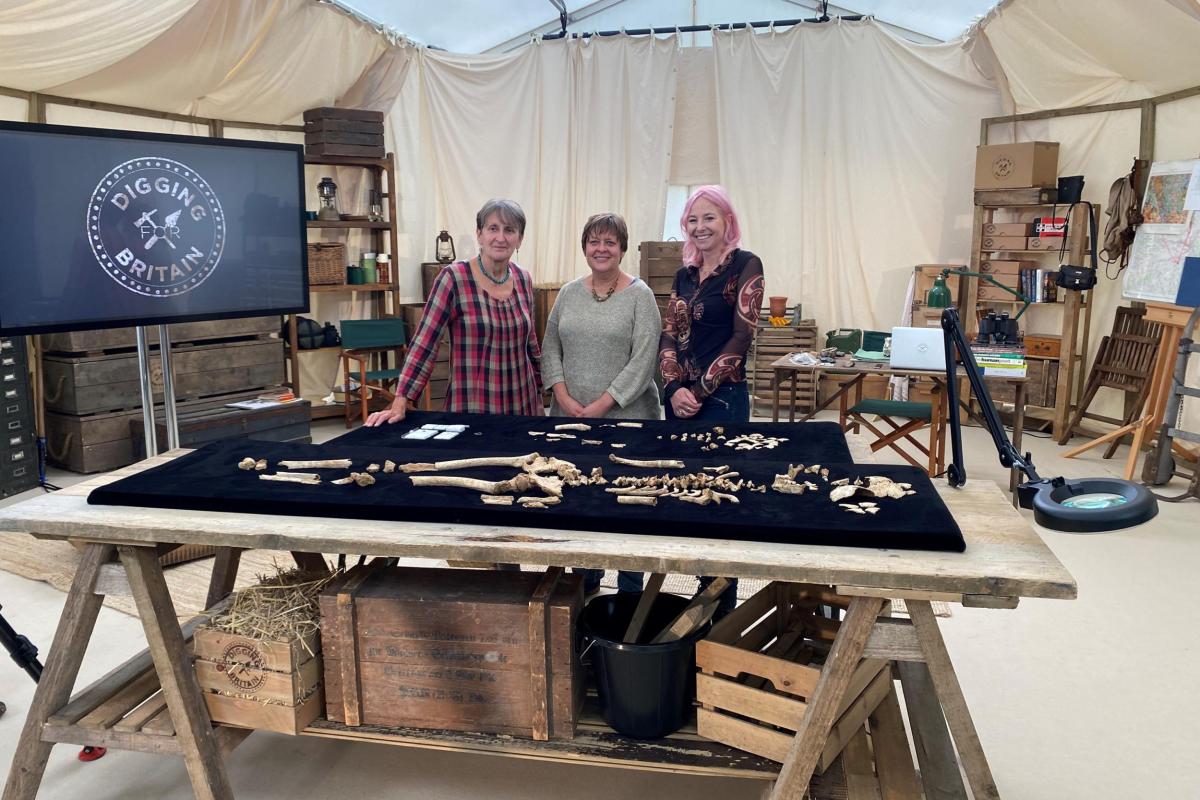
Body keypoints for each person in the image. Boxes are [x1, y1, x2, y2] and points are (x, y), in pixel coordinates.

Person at [541, 212, 660, 595]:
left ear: (622, 248)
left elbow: (644, 360)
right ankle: (582, 588)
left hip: (628, 422)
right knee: (579, 500)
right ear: (585, 247)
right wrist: (561, 394)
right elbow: (550, 346)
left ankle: (628, 595)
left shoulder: (640, 296)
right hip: (570, 420)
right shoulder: (568, 293)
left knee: (626, 505)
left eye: (610, 242)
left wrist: (604, 404)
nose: (602, 248)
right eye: (594, 241)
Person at [659, 185, 764, 617]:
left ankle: (719, 617)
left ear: (727, 222)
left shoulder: (745, 266)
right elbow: (668, 334)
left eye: (709, 218)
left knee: (720, 506)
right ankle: (691, 612)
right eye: (693, 219)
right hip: (678, 401)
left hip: (722, 400)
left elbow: (743, 335)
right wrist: (671, 390)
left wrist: (699, 391)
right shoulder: (684, 273)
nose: (700, 227)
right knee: (683, 499)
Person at [365, 198, 542, 426]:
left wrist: (540, 392)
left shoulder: (523, 279)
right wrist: (401, 400)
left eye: (509, 230)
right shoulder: (454, 278)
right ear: (479, 234)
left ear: (520, 239)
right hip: (472, 407)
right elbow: (425, 342)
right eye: (492, 228)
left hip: (522, 405)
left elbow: (531, 343)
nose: (500, 237)